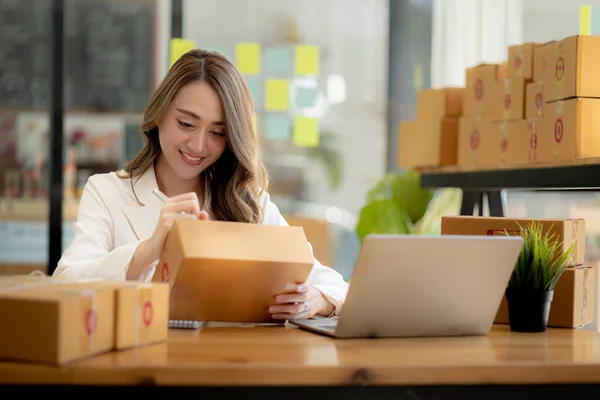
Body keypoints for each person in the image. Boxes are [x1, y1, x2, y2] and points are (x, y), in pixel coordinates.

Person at [53, 49, 349, 320]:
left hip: (225, 366)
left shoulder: (248, 202)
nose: (198, 145)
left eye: (217, 132)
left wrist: (316, 300)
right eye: (186, 124)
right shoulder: (107, 192)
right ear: (159, 114)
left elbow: (333, 285)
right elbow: (65, 283)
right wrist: (150, 249)